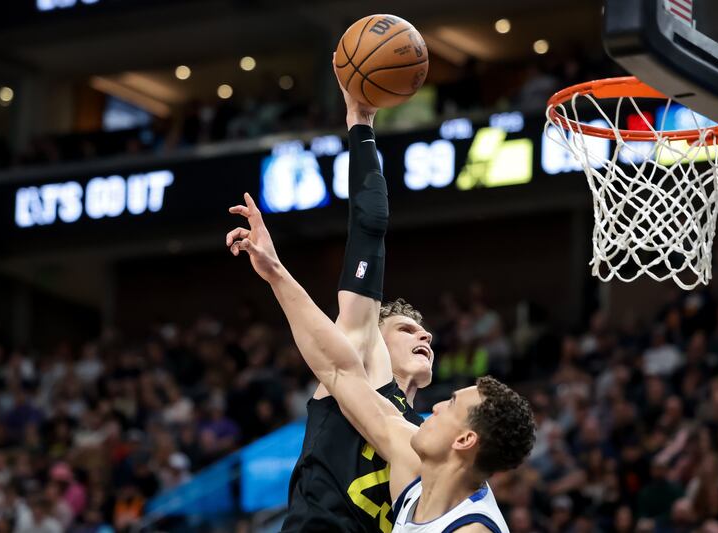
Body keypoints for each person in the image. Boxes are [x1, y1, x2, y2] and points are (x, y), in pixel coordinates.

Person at [226, 189, 536, 531]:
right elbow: (338, 370)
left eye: (449, 404)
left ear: (464, 440)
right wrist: (274, 272)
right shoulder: (409, 459)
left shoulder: (471, 528)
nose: (434, 409)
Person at [226, 56, 432, 531]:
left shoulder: (428, 435)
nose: (424, 336)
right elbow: (371, 227)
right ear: (376, 340)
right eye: (407, 328)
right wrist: (360, 125)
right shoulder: (360, 366)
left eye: (425, 332)